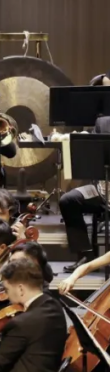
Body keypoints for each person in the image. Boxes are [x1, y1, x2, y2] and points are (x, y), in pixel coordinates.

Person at [59, 111, 110, 271]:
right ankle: (85, 255)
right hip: (103, 188)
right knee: (68, 200)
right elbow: (90, 153)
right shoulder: (102, 123)